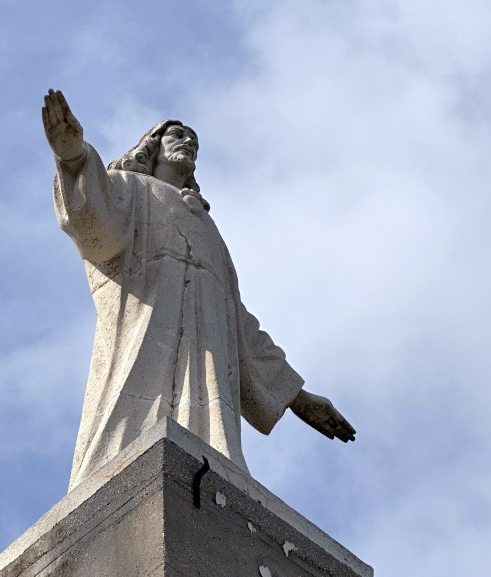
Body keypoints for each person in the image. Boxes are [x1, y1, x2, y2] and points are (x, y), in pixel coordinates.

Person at [42, 89, 355, 491]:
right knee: (122, 449)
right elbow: (95, 229)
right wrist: (73, 158)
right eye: (176, 134)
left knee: (211, 457)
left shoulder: (209, 228)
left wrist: (297, 396)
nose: (188, 141)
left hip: (207, 362)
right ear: (151, 147)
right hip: (143, 339)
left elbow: (238, 323)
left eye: (194, 139)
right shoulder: (128, 188)